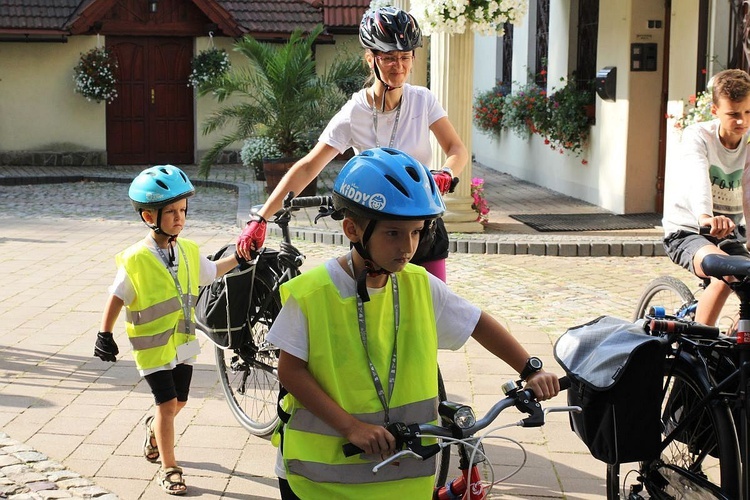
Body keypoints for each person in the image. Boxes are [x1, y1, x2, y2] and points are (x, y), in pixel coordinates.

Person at [266, 148, 560, 499]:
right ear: (352, 228)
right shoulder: (312, 294)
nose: (408, 246)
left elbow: (478, 322)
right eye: (393, 233)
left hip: (401, 477)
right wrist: (352, 427)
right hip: (320, 479)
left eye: (417, 232)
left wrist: (529, 368)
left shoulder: (420, 286)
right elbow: (291, 372)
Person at [236, 6, 468, 283]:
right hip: (374, 230)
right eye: (390, 58)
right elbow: (310, 165)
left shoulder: (423, 100)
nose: (400, 66)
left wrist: (446, 173)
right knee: (373, 313)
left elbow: (457, 149)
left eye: (406, 57)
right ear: (370, 59)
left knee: (435, 309)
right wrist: (260, 218)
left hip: (422, 223)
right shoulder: (354, 112)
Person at [93, 165, 244, 496]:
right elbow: (116, 296)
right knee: (166, 404)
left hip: (184, 343)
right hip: (152, 349)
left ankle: (153, 431)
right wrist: (105, 334)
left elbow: (212, 272)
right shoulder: (135, 260)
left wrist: (239, 256)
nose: (179, 218)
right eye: (171, 212)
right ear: (148, 215)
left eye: (182, 210)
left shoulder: (188, 250)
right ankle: (169, 467)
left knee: (181, 402)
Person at [662, 68, 750, 326]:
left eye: (748, 112)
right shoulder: (698, 136)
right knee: (724, 276)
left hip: (730, 232)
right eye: (733, 114)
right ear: (715, 111)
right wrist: (705, 216)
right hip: (688, 231)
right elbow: (697, 176)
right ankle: (698, 351)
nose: (742, 121)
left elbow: (749, 187)